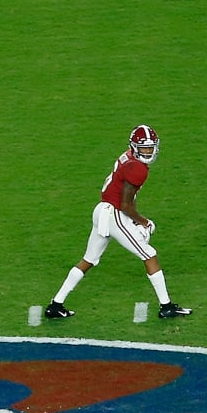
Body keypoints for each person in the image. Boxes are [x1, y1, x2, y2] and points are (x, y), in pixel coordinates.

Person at [45, 125, 191, 321]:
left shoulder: (128, 157)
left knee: (89, 260)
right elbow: (125, 204)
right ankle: (166, 307)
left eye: (150, 147)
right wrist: (143, 222)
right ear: (135, 147)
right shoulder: (137, 168)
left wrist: (134, 220)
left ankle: (55, 305)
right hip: (113, 213)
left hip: (102, 210)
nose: (148, 151)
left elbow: (127, 197)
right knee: (149, 254)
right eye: (144, 148)